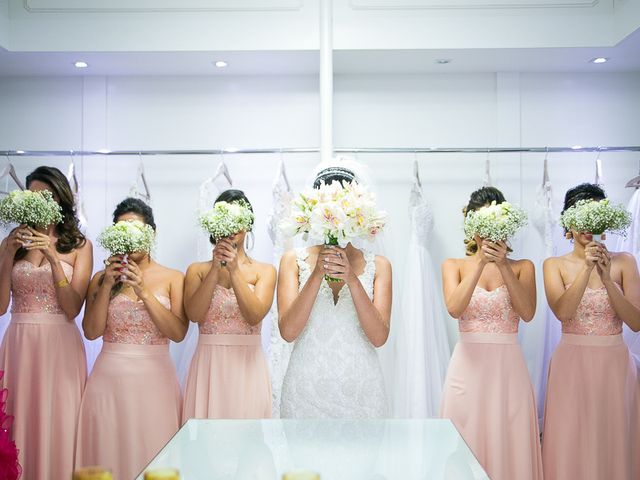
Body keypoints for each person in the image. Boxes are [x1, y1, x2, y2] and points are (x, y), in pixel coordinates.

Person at [75, 198, 187, 480]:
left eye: (135, 229)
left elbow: (178, 332)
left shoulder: (173, 277)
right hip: (108, 380)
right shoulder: (102, 277)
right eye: (122, 228)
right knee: (108, 454)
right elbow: (91, 331)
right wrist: (109, 284)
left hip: (155, 381)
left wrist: (143, 291)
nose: (129, 235)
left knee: (155, 454)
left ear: (151, 233)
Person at [440, 186, 542, 480]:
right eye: (482, 226)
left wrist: (503, 267)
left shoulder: (523, 267)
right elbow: (455, 308)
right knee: (462, 441)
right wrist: (481, 263)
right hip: (466, 368)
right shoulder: (454, 265)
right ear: (473, 229)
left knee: (509, 443)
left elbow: (527, 313)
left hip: (508, 370)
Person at [542, 183, 640, 480]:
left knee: (613, 437)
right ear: (568, 224)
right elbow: (563, 313)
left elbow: (635, 322)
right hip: (572, 363)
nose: (588, 226)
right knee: (572, 436)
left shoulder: (625, 262)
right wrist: (586, 269)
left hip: (614, 364)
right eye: (581, 218)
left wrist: (607, 277)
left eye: (595, 218)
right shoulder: (553, 265)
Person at [0, 166, 92, 480]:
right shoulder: (12, 243)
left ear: (59, 199)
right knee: (19, 420)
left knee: (59, 421)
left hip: (59, 345)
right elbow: (0, 308)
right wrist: (8, 253)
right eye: (33, 196)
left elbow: (72, 309)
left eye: (46, 195)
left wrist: (53, 258)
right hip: (20, 343)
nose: (40, 202)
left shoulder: (79, 245)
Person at [278, 165, 391, 418]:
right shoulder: (291, 261)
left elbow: (379, 337)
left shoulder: (380, 265)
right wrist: (317, 273)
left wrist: (352, 278)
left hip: (362, 393)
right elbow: (288, 332)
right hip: (305, 392)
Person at [182, 189, 275, 420]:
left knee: (247, 441)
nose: (232, 227)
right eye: (225, 220)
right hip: (209, 365)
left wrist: (234, 271)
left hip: (248, 365)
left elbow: (254, 316)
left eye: (238, 220)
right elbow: (194, 315)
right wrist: (216, 268)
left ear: (248, 224)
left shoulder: (265, 271)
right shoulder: (198, 270)